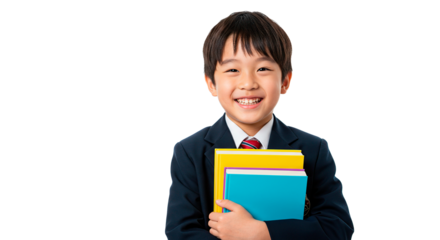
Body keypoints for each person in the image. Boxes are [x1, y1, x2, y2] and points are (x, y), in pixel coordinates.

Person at [165, 10, 354, 240]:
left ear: (285, 81)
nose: (248, 83)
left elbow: (338, 227)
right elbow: (179, 232)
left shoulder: (314, 150)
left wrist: (263, 233)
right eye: (233, 70)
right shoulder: (188, 152)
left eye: (262, 69)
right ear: (210, 83)